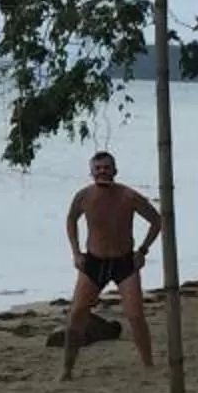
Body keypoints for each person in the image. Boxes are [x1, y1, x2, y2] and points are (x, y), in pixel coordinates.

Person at [63, 149, 165, 375]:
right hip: (94, 262)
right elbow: (71, 219)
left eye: (106, 168)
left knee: (135, 315)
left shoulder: (128, 196)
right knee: (77, 315)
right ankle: (67, 369)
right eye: (98, 168)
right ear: (91, 172)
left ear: (115, 171)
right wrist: (76, 252)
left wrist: (143, 251)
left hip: (124, 263)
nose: (102, 172)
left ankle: (148, 365)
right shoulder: (84, 196)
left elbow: (157, 221)